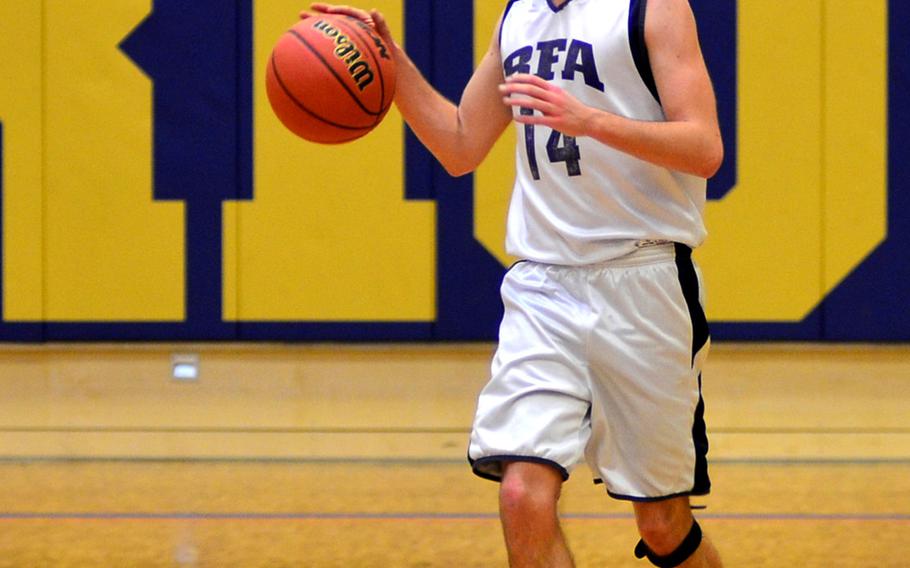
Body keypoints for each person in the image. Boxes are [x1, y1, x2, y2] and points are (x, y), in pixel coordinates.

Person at [310, 1, 724, 566]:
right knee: (521, 494)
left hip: (643, 279)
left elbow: (705, 148)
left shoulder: (653, 8)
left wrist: (590, 121)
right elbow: (460, 144)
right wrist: (391, 62)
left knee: (661, 524)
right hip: (544, 284)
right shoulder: (517, 17)